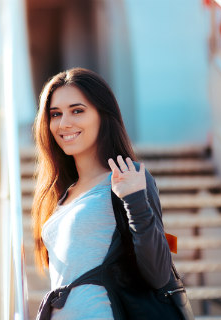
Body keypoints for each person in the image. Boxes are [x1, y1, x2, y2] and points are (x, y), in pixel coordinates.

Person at [31, 68, 173, 319]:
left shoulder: (129, 176)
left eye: (77, 110)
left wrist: (135, 200)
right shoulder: (61, 194)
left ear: (102, 115)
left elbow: (158, 273)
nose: (64, 123)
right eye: (55, 114)